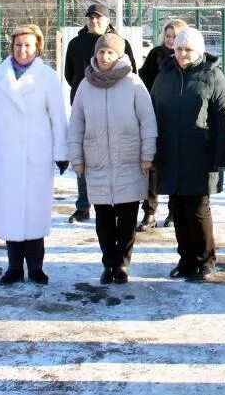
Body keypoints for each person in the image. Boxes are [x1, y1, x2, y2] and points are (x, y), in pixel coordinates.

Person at [0, 24, 69, 285]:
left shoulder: (47, 76)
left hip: (36, 153)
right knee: (10, 210)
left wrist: (62, 151)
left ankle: (36, 267)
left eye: (27, 45)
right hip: (5, 154)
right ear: (11, 46)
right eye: (17, 45)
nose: (22, 50)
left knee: (35, 211)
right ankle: (14, 266)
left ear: (37, 47)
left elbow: (58, 117)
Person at [68, 33, 158, 284]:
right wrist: (77, 158)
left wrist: (146, 155)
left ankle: (123, 263)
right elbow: (76, 124)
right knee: (104, 220)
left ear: (119, 56)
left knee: (127, 218)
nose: (105, 57)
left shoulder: (133, 83)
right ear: (94, 55)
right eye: (101, 52)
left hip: (129, 161)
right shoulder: (86, 86)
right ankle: (109, 263)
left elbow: (147, 121)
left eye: (110, 53)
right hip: (96, 162)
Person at [150, 27, 225, 282]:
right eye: (178, 48)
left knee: (198, 209)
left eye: (188, 49)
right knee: (177, 206)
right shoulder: (164, 74)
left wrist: (223, 156)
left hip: (200, 153)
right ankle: (186, 259)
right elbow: (152, 111)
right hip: (170, 153)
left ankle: (205, 260)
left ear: (198, 51)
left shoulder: (212, 75)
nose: (182, 54)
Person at [63, 3, 137, 223]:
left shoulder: (121, 44)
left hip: (116, 109)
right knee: (83, 156)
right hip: (85, 108)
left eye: (99, 18)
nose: (94, 21)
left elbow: (131, 72)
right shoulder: (75, 44)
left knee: (113, 157)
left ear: (107, 20)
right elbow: (69, 74)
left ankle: (115, 201)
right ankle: (83, 205)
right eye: (91, 18)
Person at [137, 18, 188, 231]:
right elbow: (142, 79)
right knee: (153, 165)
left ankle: (174, 211)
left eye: (174, 36)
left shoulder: (187, 56)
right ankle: (149, 211)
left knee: (176, 164)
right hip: (156, 115)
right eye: (167, 36)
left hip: (178, 119)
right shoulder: (156, 54)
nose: (170, 40)